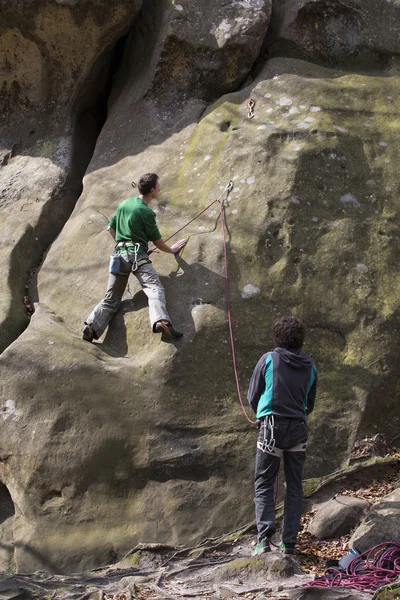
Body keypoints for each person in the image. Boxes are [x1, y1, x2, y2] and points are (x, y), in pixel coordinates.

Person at [83, 173, 187, 342]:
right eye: (158, 187)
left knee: (111, 299)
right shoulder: (146, 212)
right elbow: (158, 242)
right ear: (152, 190)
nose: (160, 189)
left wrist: (125, 246)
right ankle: (161, 321)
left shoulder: (124, 204)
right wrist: (172, 249)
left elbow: (110, 229)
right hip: (137, 256)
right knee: (155, 289)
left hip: (119, 256)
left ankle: (91, 326)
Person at [248, 316, 317, 556]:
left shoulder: (268, 359)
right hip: (298, 428)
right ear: (300, 339)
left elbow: (253, 395)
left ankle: (263, 541)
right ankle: (289, 544)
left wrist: (261, 413)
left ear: (277, 337)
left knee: (265, 482)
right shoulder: (310, 365)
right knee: (295, 486)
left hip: (271, 427)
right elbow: (309, 403)